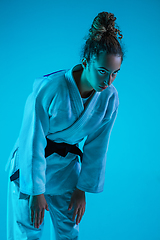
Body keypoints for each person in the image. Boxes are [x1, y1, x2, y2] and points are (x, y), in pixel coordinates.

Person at [7, 11, 125, 240]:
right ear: (86, 62)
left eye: (114, 74)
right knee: (27, 232)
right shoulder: (50, 88)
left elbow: (98, 146)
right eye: (102, 71)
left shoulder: (110, 97)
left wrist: (82, 189)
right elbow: (32, 140)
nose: (107, 81)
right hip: (31, 165)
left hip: (65, 167)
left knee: (69, 229)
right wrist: (36, 191)